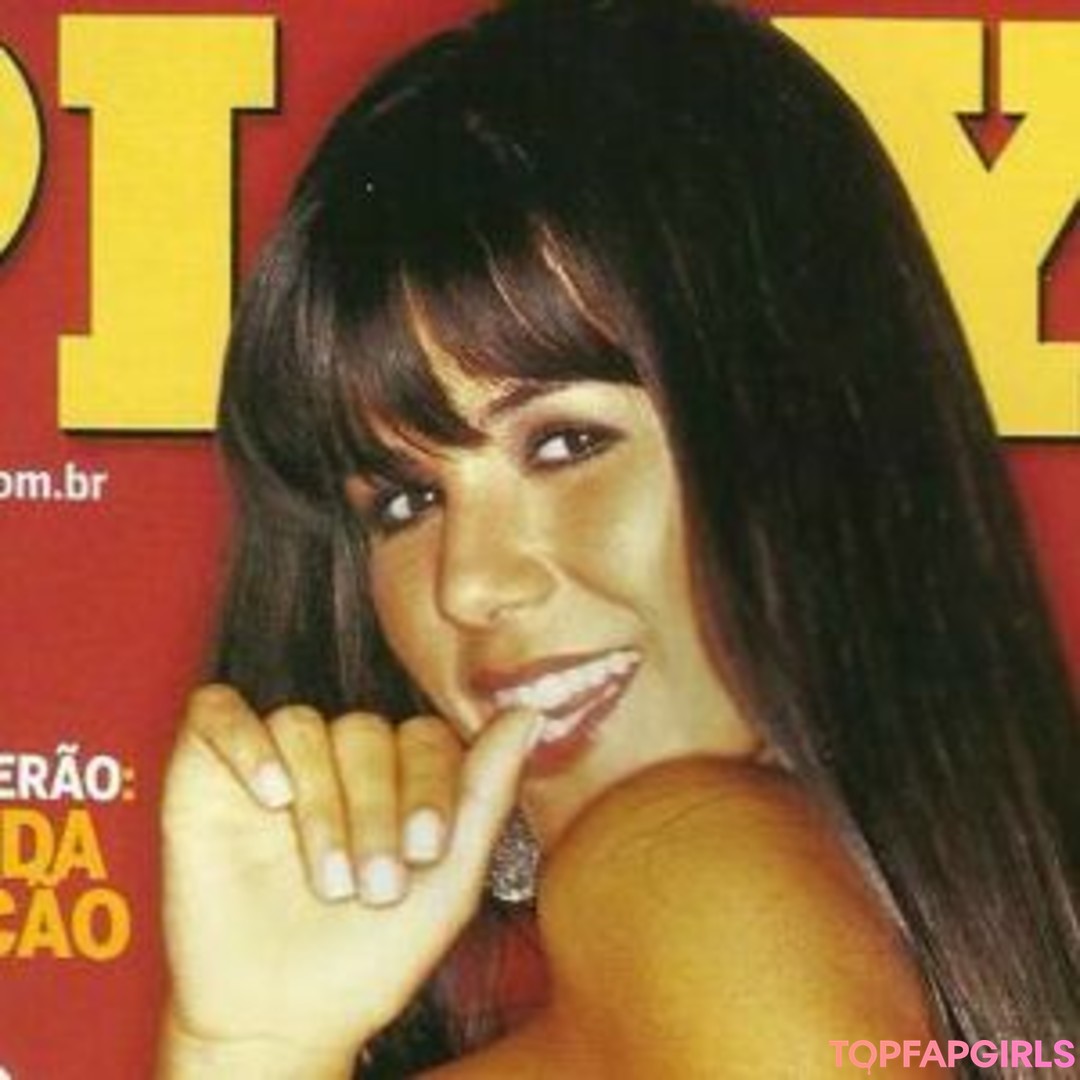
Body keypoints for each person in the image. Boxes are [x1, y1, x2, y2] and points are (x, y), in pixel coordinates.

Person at [156, 1, 1080, 1076]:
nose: (469, 585)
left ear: (802, 429)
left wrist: (252, 1053)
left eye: (566, 444)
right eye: (405, 502)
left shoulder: (690, 870)